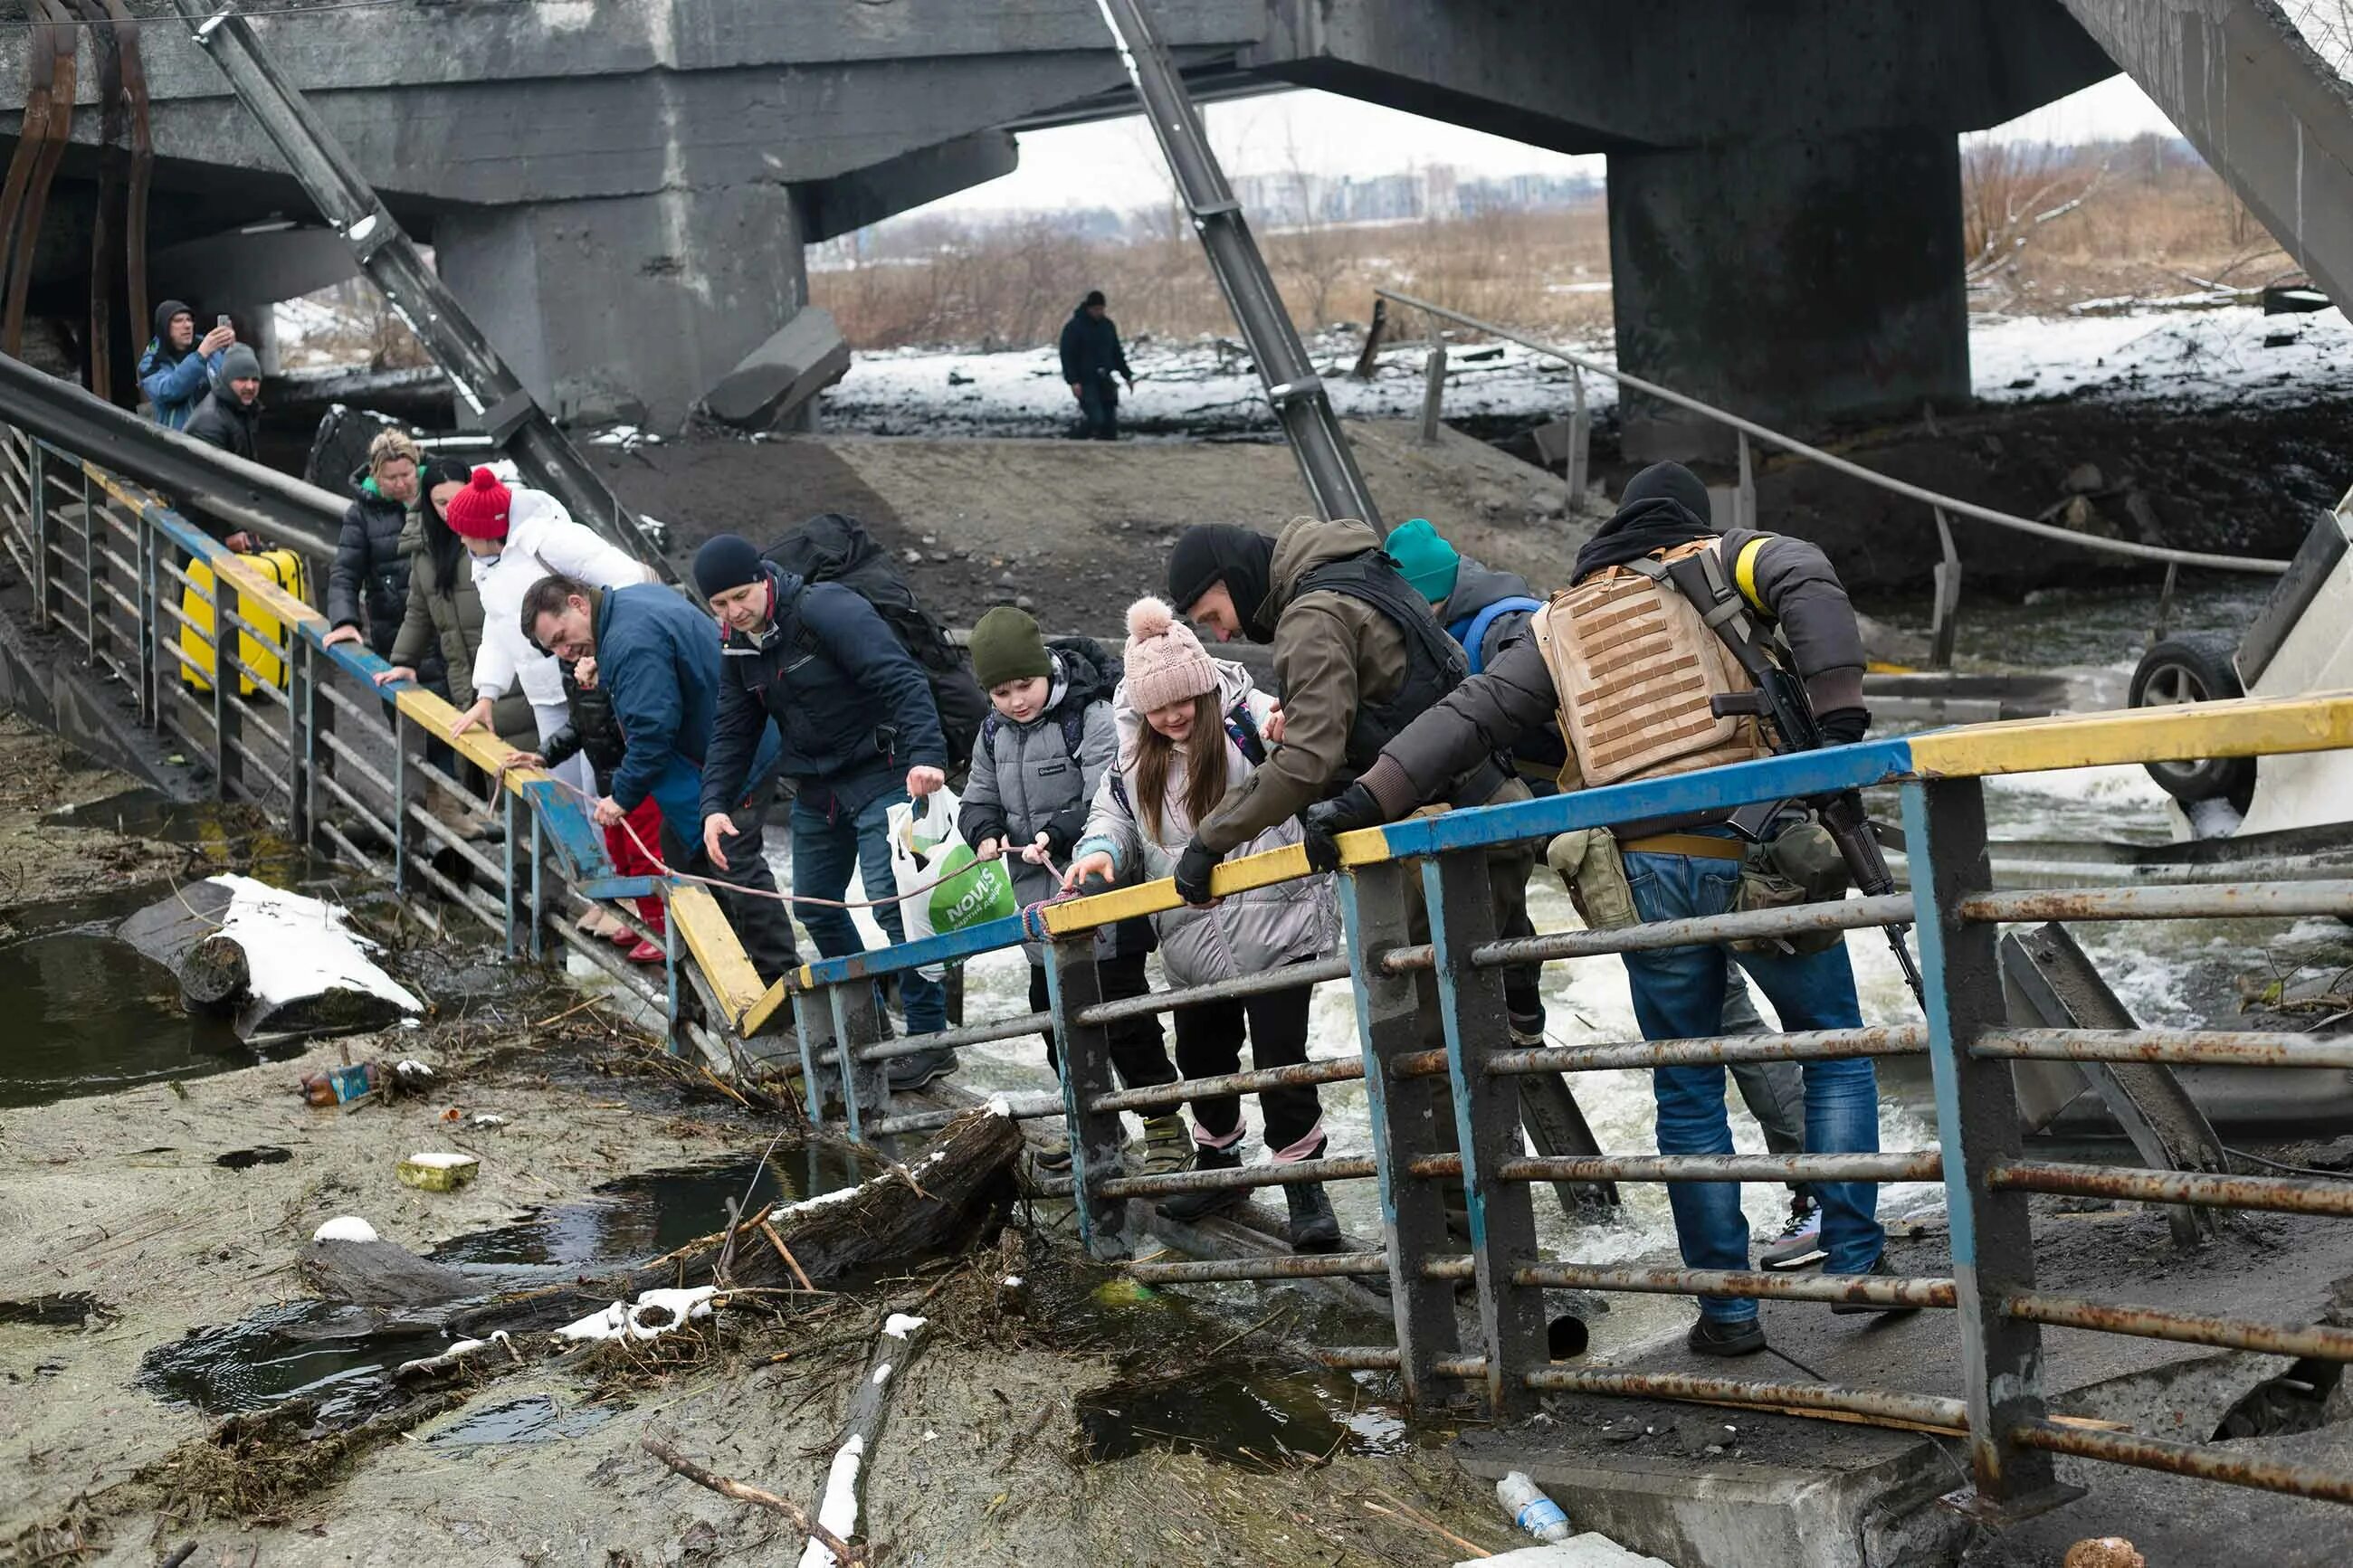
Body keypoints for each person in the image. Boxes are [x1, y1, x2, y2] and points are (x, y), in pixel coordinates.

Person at [1304, 461, 1902, 1356]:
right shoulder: (1723, 557)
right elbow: (1804, 573)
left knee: (1686, 1084)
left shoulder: (1558, 620)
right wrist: (1838, 723)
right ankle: (1856, 1266)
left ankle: (1728, 1311)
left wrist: (1360, 802)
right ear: (1685, 523)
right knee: (1831, 1051)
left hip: (1649, 862)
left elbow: (1470, 714)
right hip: (1768, 836)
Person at [1390, 514, 1822, 1263]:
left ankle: (1783, 1222)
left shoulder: (1503, 634)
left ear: (1428, 599)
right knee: (1733, 1026)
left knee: (1712, 1041)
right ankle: (1814, 1197)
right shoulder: (1511, 616)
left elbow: (1541, 734)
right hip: (1700, 835)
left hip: (1649, 847)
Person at [1062, 596, 1341, 1252]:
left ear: (1202, 686)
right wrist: (1096, 853)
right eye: (1156, 708)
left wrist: (1287, 728)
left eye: (1182, 699)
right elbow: (1113, 821)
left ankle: (1305, 1183)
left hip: (1281, 923)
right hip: (1192, 939)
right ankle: (1220, 1164)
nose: (1172, 715)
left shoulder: (1249, 717)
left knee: (1280, 1059)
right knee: (1202, 1057)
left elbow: (1305, 746)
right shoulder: (1132, 762)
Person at [691, 534, 957, 1089]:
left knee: (896, 908)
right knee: (816, 906)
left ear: (762, 579)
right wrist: (714, 804)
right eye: (719, 605)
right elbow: (732, 730)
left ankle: (932, 1041)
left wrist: (928, 757)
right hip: (817, 786)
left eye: (741, 596)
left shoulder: (826, 609)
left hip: (883, 769)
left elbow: (902, 678)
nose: (734, 612)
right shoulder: (738, 644)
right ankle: (872, 1029)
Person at [958, 605, 1186, 1174]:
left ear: (1046, 671)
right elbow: (976, 799)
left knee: (1126, 1020)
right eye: (1001, 691)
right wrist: (984, 833)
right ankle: (1093, 1124)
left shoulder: (1091, 715)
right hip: (1041, 905)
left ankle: (1165, 1127)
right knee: (1049, 1014)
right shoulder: (991, 734)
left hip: (1108, 894)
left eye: (1023, 685)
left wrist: (1055, 832)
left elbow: (1108, 796)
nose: (1016, 701)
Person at [519, 572, 801, 985]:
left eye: (563, 636)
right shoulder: (629, 607)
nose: (565, 652)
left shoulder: (628, 641)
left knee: (732, 859)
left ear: (579, 604)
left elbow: (652, 730)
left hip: (731, 757)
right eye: (554, 648)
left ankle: (779, 979)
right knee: (682, 850)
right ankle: (724, 965)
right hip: (718, 748)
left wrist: (622, 796)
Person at [438, 466, 655, 805]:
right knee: (561, 796)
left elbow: (627, 582)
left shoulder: (552, 541)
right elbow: (498, 623)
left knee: (597, 793)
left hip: (590, 687)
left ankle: (611, 858)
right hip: (544, 693)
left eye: (465, 533)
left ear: (486, 531)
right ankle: (580, 859)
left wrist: (605, 656)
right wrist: (487, 694)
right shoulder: (485, 563)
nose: (461, 541)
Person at [507, 651, 668, 963]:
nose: (563, 649)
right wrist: (543, 754)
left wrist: (603, 679)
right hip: (609, 780)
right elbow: (580, 724)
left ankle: (659, 929)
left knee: (645, 856)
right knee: (620, 854)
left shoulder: (618, 659)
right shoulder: (572, 667)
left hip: (636, 779)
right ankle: (635, 918)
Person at [324, 430, 424, 659]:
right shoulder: (361, 514)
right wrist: (344, 620)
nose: (400, 484)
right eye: (391, 478)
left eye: (406, 475)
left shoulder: (438, 496)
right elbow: (345, 573)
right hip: (395, 632)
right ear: (376, 475)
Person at [181, 345, 265, 550]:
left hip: (224, 522)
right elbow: (209, 484)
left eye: (255, 380)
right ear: (227, 380)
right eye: (242, 379)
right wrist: (233, 531)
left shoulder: (241, 410)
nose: (250, 386)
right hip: (202, 531)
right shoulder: (209, 422)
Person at [138, 300, 232, 432]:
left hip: (215, 436)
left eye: (189, 320)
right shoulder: (152, 361)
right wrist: (200, 357)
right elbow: (168, 392)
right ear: (164, 326)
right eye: (178, 320)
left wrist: (233, 349)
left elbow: (231, 383)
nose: (187, 325)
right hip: (178, 440)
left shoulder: (210, 347)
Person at [1058, 290, 1132, 442]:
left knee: (1110, 422)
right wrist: (1073, 381)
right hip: (1085, 379)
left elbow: (1116, 352)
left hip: (1105, 378)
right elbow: (1067, 356)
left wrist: (1127, 375)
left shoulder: (1107, 326)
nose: (1099, 312)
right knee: (1096, 418)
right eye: (1096, 309)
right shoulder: (1074, 327)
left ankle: (1107, 451)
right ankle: (1072, 440)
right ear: (1088, 308)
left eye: (1101, 309)